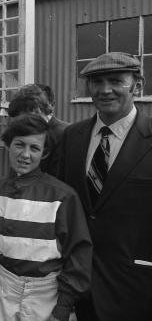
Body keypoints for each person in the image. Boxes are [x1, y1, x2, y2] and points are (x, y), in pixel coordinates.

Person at [55, 52, 152, 321]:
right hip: (79, 283)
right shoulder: (71, 136)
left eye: (115, 81)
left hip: (137, 288)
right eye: (96, 81)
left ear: (138, 85)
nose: (105, 89)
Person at [0, 114, 92, 321]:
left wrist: (63, 308)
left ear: (44, 153)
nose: (25, 155)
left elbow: (79, 254)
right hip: (2, 289)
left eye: (35, 148)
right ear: (8, 145)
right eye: (19, 145)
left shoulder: (62, 196)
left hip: (47, 293)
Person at [8, 83, 69, 173]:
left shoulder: (65, 134)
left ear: (39, 110)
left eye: (27, 116)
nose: (24, 123)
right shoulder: (29, 132)